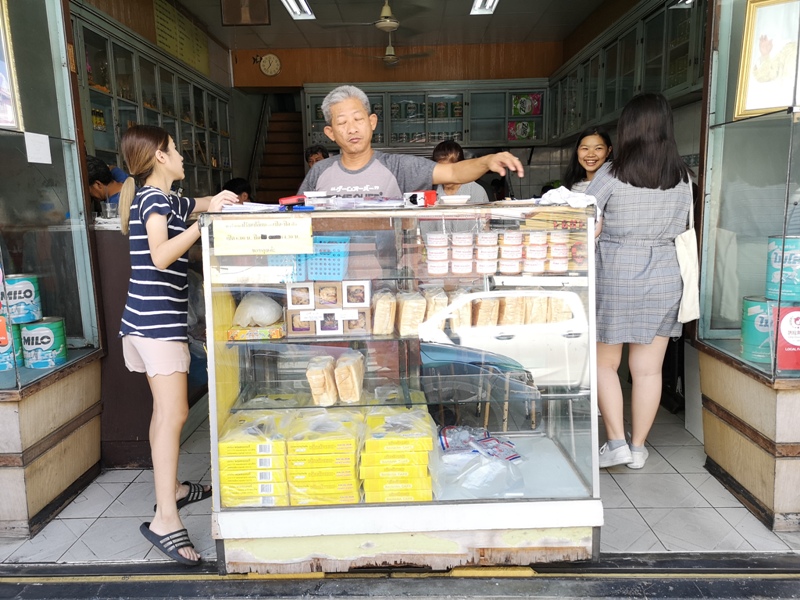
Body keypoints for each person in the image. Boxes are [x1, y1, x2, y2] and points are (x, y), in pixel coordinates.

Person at [117, 125, 237, 565]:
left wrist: (220, 201)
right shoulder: (152, 199)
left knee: (163, 412)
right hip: (157, 324)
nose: (183, 155)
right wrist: (202, 225)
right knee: (175, 413)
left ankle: (174, 490)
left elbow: (201, 204)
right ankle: (166, 518)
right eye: (176, 150)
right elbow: (161, 255)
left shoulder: (168, 199)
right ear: (160, 158)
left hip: (148, 321)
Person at [585, 93, 693, 470]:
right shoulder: (682, 177)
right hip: (665, 272)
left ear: (628, 128)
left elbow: (587, 223)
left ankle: (615, 441)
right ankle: (638, 447)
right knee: (648, 369)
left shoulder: (611, 174)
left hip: (616, 270)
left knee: (604, 364)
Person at [299, 85, 523, 198]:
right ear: (330, 132)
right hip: (331, 277)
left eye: (358, 119)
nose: (352, 129)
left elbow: (453, 173)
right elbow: (295, 217)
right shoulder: (319, 172)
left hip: (385, 280)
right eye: (342, 122)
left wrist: (488, 161)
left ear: (372, 122)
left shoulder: (398, 167)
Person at [562, 127, 613, 193]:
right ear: (577, 150)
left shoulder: (614, 185)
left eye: (598, 148)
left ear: (608, 151)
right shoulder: (572, 186)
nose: (591, 154)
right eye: (585, 148)